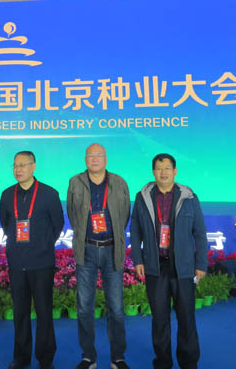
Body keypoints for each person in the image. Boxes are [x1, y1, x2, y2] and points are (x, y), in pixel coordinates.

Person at [130, 153, 208, 369]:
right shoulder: (143, 197)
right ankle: (162, 363)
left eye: (167, 168)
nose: (163, 172)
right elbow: (135, 230)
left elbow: (200, 232)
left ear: (175, 171)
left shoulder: (189, 197)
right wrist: (138, 260)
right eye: (158, 168)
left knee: (186, 319)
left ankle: (189, 363)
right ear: (153, 172)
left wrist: (201, 264)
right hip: (155, 267)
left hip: (183, 268)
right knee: (159, 320)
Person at [66, 143, 131, 369]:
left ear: (106, 159)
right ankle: (88, 357)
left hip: (112, 249)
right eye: (90, 155)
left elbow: (125, 214)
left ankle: (118, 357)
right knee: (84, 307)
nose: (94, 159)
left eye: (99, 155)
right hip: (87, 249)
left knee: (117, 308)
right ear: (85, 159)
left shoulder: (119, 182)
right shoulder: (75, 182)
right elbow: (72, 214)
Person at [0, 151, 64, 369]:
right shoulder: (7, 195)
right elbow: (6, 224)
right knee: (20, 312)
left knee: (44, 312)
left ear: (34, 166)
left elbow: (57, 224)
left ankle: (46, 358)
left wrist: (42, 244)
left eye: (23, 165)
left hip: (42, 263)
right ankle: (21, 356)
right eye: (15, 165)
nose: (18, 169)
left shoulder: (49, 194)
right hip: (17, 263)